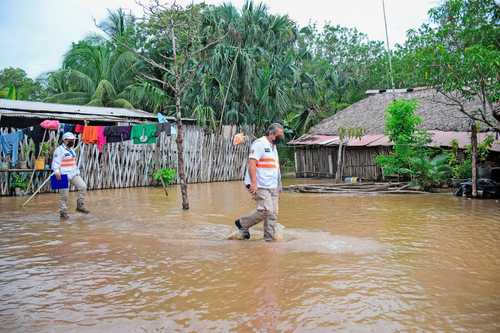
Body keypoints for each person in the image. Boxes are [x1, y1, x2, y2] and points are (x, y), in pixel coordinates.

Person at [234, 123, 284, 241]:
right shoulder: (259, 144)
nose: (281, 137)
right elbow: (252, 164)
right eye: (279, 135)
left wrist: (279, 184)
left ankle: (269, 240)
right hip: (259, 184)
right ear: (271, 134)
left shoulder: (273, 146)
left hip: (272, 185)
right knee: (267, 210)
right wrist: (254, 183)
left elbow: (275, 167)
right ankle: (242, 223)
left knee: (273, 213)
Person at [52, 132, 89, 219]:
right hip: (62, 175)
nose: (73, 141)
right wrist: (57, 172)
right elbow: (55, 162)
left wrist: (77, 171)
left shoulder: (71, 150)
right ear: (65, 140)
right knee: (64, 195)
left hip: (73, 173)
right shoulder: (59, 150)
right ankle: (63, 212)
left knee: (83, 186)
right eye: (71, 140)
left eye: (73, 140)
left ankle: (80, 206)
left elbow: (73, 162)